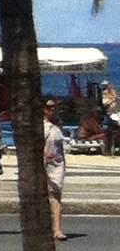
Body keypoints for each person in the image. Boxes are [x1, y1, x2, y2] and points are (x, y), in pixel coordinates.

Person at [42, 98, 69, 242]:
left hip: (57, 165)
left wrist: (64, 164)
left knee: (57, 196)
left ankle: (57, 229)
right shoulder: (42, 127)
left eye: (54, 107)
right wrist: (45, 155)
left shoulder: (57, 126)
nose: (52, 110)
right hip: (45, 165)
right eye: (49, 107)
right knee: (44, 196)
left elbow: (60, 148)